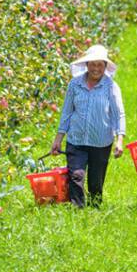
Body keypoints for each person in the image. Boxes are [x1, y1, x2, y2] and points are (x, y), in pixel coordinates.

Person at [50, 45, 125, 208]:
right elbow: (67, 112)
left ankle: (94, 209)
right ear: (86, 65)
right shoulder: (75, 84)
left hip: (101, 141)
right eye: (93, 64)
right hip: (76, 139)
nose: (96, 69)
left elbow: (118, 114)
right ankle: (78, 211)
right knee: (76, 176)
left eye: (100, 65)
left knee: (95, 183)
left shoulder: (111, 87)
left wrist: (119, 140)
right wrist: (58, 140)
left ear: (105, 67)